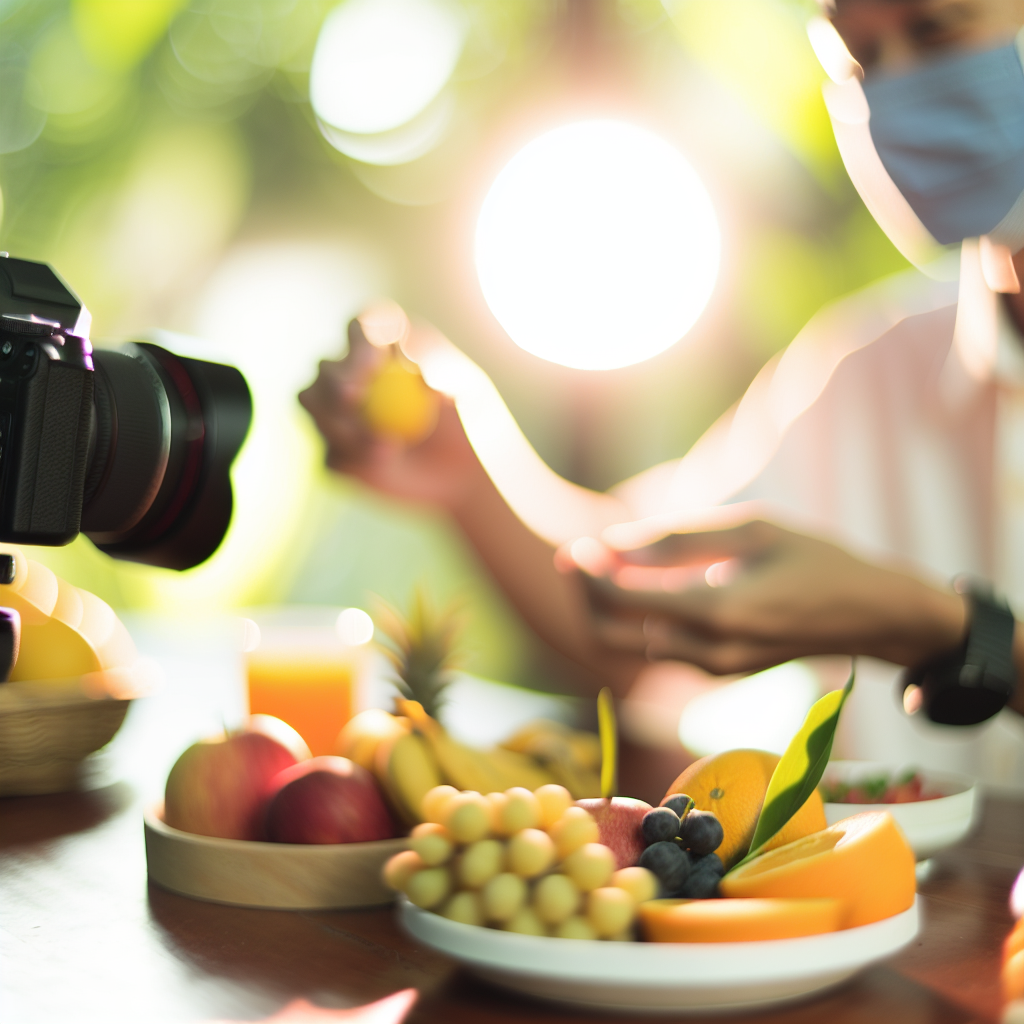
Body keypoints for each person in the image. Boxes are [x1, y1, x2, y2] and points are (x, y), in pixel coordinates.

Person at [300, 0, 1024, 788]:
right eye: (858, 61)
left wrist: (936, 631)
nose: (897, 93)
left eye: (937, 30)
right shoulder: (868, 373)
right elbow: (634, 602)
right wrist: (465, 462)